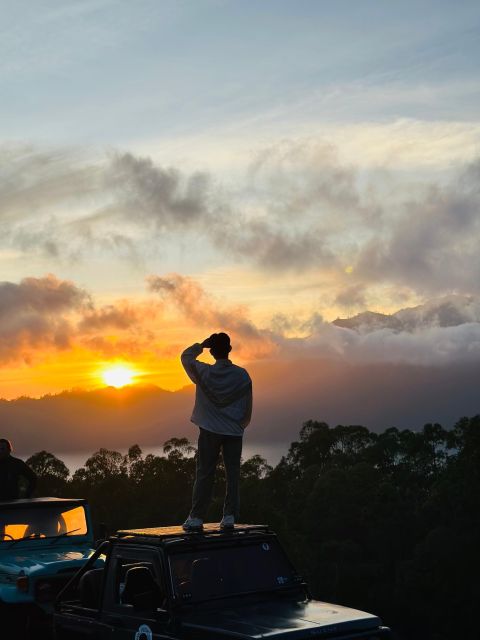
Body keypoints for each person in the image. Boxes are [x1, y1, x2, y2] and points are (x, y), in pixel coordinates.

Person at [181, 333, 252, 531]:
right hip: (233, 432)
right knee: (233, 474)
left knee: (205, 472)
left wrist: (201, 345)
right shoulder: (242, 375)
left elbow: (186, 357)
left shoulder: (204, 372)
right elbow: (247, 405)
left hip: (210, 429)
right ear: (229, 350)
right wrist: (240, 425)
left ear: (212, 351)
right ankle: (229, 516)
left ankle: (196, 517)